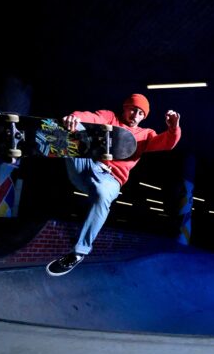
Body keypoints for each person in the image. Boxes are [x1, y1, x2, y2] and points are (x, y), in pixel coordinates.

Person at [47, 93, 181, 276]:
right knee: (69, 131)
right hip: (87, 167)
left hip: (111, 179)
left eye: (141, 113)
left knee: (102, 194)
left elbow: (166, 142)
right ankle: (15, 147)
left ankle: (78, 253)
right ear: (125, 107)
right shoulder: (110, 117)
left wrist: (173, 129)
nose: (136, 115)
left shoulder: (145, 135)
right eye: (133, 110)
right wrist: (75, 117)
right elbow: (91, 117)